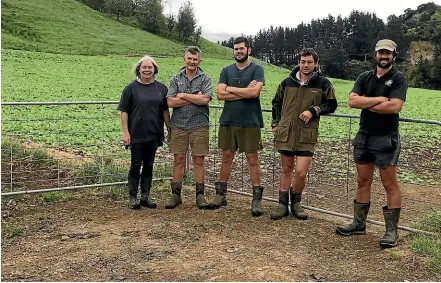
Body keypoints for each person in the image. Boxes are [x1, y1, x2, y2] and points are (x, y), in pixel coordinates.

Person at [336, 39, 407, 248]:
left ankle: (391, 231)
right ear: (375, 55)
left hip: (386, 137)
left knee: (389, 184)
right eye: (380, 53)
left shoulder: (398, 78)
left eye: (388, 53)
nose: (384, 57)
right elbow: (352, 101)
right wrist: (380, 100)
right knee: (362, 181)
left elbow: (394, 107)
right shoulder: (364, 77)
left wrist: (367, 102)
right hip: (364, 136)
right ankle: (359, 224)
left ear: (394, 55)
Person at [270, 48, 338, 221]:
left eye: (309, 62)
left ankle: (296, 203)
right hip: (286, 132)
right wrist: (275, 124)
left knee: (301, 172)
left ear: (316, 63)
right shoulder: (287, 82)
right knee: (286, 169)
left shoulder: (323, 83)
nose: (306, 65)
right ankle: (282, 205)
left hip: (307, 134)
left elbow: (331, 105)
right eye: (303, 62)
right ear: (298, 62)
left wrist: (314, 110)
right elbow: (276, 103)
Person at [211, 36, 265, 216]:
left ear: (249, 50)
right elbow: (219, 94)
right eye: (235, 49)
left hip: (250, 121)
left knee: (252, 160)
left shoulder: (258, 69)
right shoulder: (226, 70)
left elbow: (255, 92)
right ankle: (221, 195)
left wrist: (230, 89)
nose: (238, 51)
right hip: (228, 120)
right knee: (226, 157)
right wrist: (245, 92)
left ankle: (256, 199)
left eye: (241, 48)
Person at [117, 56, 170, 209]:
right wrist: (126, 133)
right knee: (135, 165)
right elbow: (124, 111)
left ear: (155, 70)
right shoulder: (130, 88)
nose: (147, 70)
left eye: (150, 67)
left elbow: (165, 111)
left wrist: (169, 128)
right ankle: (133, 196)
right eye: (144, 67)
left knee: (149, 165)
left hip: (154, 132)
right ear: (139, 70)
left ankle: (145, 196)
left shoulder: (161, 88)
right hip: (136, 133)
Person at [165, 46, 213, 209]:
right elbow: (170, 102)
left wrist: (183, 95)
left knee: (198, 160)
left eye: (195, 59)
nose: (192, 62)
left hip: (199, 125)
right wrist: (195, 97)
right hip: (178, 125)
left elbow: (205, 99)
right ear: (184, 59)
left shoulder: (205, 78)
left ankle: (200, 196)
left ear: (199, 61)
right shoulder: (175, 79)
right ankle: (176, 195)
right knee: (178, 159)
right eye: (189, 58)